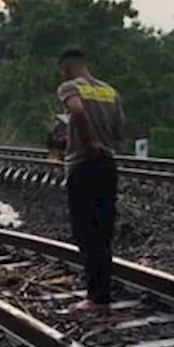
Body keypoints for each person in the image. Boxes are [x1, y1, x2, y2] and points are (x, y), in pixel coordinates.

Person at [56, 48, 124, 312]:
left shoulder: (70, 87)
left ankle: (95, 297)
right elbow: (119, 130)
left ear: (66, 70)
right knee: (104, 231)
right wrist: (102, 137)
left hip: (83, 165)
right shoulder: (110, 91)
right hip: (109, 164)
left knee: (86, 232)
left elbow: (76, 110)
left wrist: (89, 140)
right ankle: (102, 292)